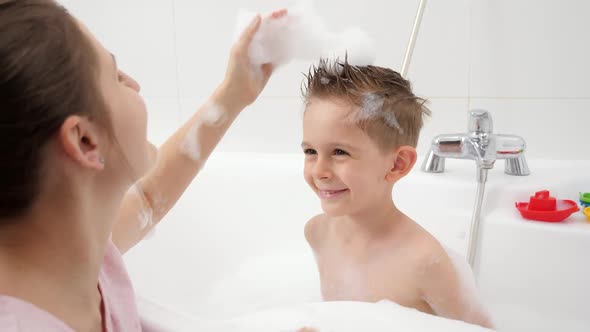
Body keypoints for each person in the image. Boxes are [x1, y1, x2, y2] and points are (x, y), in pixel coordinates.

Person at [0, 0, 285, 330]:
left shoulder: (82, 258)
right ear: (85, 141)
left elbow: (150, 199)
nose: (134, 84)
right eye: (116, 76)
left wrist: (233, 94)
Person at [300, 58, 493, 328]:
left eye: (339, 152)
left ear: (397, 164)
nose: (319, 170)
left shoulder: (425, 262)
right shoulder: (318, 233)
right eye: (310, 151)